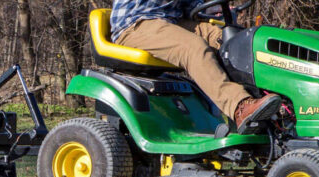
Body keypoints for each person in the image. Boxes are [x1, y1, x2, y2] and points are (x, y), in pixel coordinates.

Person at [110, 0, 280, 131]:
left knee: (234, 41)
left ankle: (271, 108)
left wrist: (219, 10)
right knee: (193, 48)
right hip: (135, 25)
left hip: (171, 22)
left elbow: (193, 7)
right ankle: (239, 107)